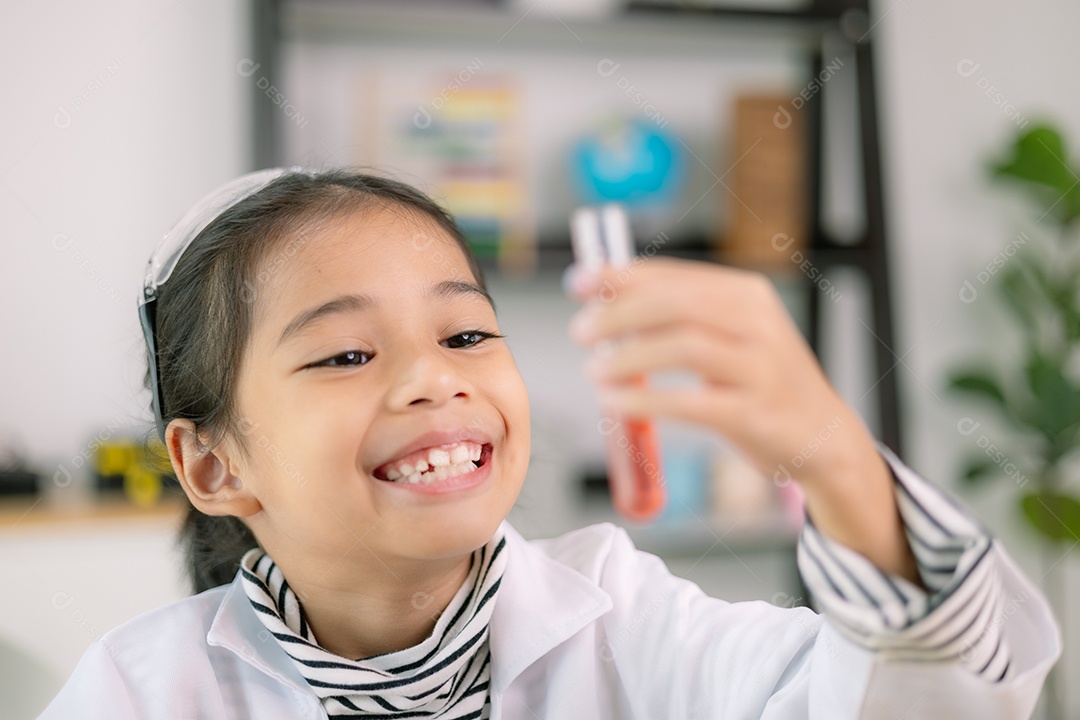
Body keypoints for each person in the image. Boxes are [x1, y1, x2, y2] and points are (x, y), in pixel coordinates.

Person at [39, 168, 1059, 719]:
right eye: (347, 354)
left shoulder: (630, 623)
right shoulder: (138, 691)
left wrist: (835, 460)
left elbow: (923, 705)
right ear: (213, 464)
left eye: (466, 335)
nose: (435, 377)